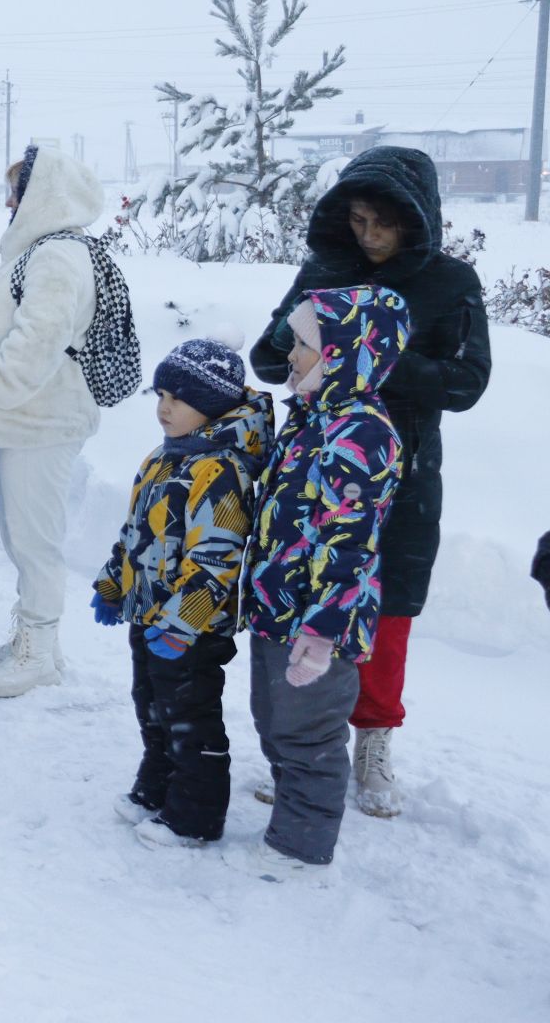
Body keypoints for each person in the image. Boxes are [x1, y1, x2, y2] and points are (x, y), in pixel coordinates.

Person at [249, 147, 491, 819]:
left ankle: (374, 738)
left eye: (383, 223)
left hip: (405, 468)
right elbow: (269, 359)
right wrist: (291, 334)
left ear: (418, 220)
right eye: (357, 220)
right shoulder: (324, 269)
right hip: (315, 467)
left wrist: (372, 364)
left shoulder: (450, 282)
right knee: (307, 596)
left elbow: (468, 383)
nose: (369, 236)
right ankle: (305, 744)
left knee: (385, 608)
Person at [240, 286, 409, 880]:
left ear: (344, 354)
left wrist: (321, 629)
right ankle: (293, 815)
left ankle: (302, 847)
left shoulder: (362, 434)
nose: (291, 355)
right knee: (274, 719)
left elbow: (350, 547)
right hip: (277, 608)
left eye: (305, 346)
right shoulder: (312, 418)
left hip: (318, 621)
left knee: (310, 732)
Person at [94, 338, 273, 849]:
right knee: (151, 706)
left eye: (179, 399)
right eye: (161, 395)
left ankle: (196, 816)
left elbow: (216, 562)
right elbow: (136, 532)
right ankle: (157, 789)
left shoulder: (220, 472)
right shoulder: (166, 456)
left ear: (212, 405)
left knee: (190, 720)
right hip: (150, 614)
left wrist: (180, 624)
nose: (164, 408)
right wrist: (112, 585)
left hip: (192, 630)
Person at [0, 146, 106, 698]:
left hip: (41, 420)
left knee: (34, 540)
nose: (8, 201)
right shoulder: (49, 251)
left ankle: (38, 652)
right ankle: (34, 636)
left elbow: (40, 337)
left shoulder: (57, 256)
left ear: (41, 194)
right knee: (22, 534)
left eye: (17, 190)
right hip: (30, 419)